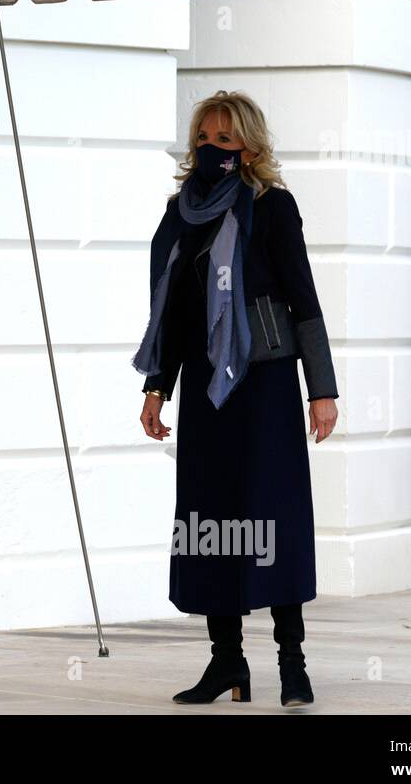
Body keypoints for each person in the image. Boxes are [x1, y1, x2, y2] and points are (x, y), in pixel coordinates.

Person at [132, 90, 338, 708]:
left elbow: (304, 299)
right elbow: (171, 309)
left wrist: (321, 390)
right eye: (203, 138)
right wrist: (156, 386)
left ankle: (292, 664)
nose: (211, 149)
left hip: (267, 384)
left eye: (224, 139)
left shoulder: (273, 208)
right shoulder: (180, 212)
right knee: (212, 524)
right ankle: (226, 663)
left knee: (273, 518)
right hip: (205, 389)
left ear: (249, 145)